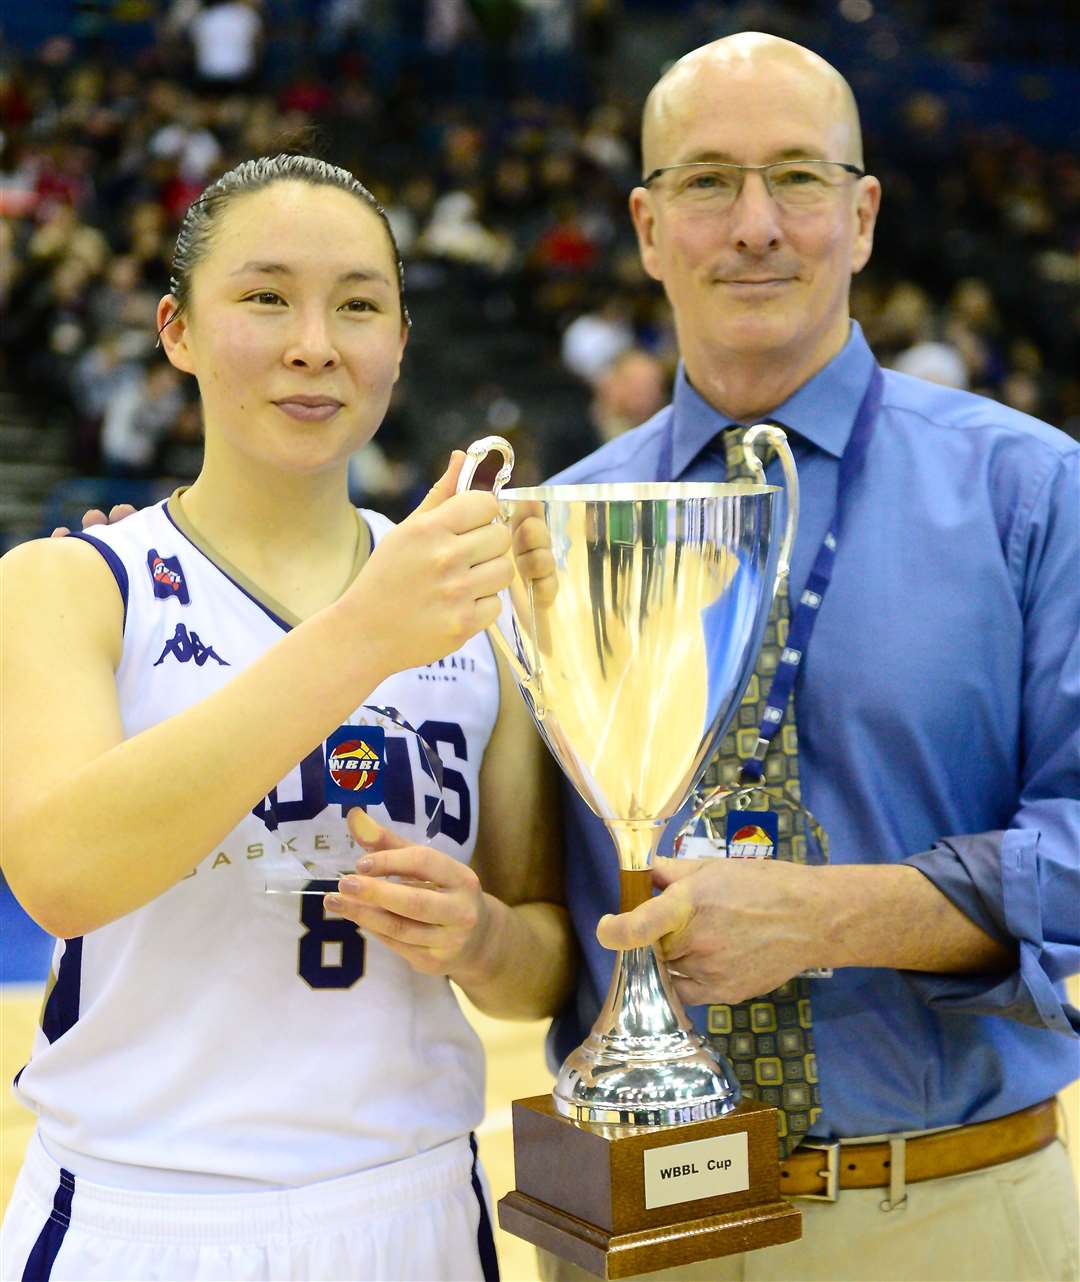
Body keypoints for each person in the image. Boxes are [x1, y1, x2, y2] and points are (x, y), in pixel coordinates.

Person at [543, 33, 1080, 1282]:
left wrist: (829, 915)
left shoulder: (1035, 490)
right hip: (636, 1225)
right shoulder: (556, 533)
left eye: (796, 177)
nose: (755, 225)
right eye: (706, 181)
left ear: (864, 212)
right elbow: (529, 904)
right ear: (644, 224)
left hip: (947, 1215)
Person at [0, 154, 572, 1282]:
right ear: (177, 332)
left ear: (399, 344)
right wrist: (365, 632)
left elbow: (542, 951)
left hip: (416, 1203)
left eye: (358, 304)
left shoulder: (478, 609)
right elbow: (59, 874)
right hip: (144, 1212)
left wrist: (484, 937)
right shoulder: (68, 583)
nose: (316, 341)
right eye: (265, 297)